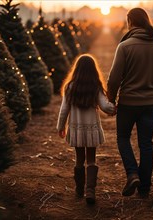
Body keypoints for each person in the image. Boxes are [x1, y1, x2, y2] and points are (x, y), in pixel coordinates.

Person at [107, 7, 153, 198]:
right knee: (146, 144)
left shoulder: (125, 46)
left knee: (122, 138)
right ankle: (144, 188)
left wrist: (111, 100)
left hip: (128, 102)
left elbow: (114, 79)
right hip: (151, 105)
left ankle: (132, 174)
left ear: (130, 21)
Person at [57, 54, 115, 204]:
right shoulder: (95, 86)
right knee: (91, 159)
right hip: (91, 129)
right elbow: (104, 106)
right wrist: (115, 108)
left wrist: (61, 126)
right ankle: (90, 191)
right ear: (93, 70)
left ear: (77, 69)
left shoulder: (70, 87)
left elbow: (64, 109)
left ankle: (79, 190)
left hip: (76, 129)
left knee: (79, 159)